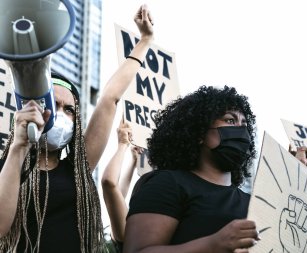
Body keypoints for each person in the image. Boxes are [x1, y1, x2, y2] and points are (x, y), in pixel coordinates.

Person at [0, 4, 154, 252]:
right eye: (53, 105)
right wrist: (19, 146)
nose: (61, 114)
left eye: (69, 110)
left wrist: (145, 41)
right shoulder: (8, 167)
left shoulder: (77, 167)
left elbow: (109, 98)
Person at [123, 86, 260, 253]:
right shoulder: (167, 184)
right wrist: (213, 244)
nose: (239, 129)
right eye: (230, 120)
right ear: (199, 133)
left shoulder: (254, 203)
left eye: (244, 124)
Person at [102, 119, 143, 252]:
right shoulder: (127, 233)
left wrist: (130, 157)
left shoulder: (131, 234)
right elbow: (110, 184)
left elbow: (115, 190)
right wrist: (122, 145)